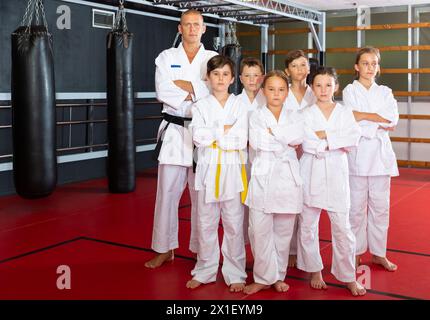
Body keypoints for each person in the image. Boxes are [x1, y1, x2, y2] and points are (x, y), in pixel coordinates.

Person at [145, 9, 218, 269]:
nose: (191, 29)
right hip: (175, 131)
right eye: (187, 25)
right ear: (179, 28)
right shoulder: (166, 57)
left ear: (204, 28)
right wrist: (199, 88)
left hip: (203, 133)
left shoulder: (213, 58)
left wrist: (186, 86)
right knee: (167, 193)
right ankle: (165, 249)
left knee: (202, 197)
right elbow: (162, 91)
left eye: (196, 24)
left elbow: (217, 89)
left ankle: (202, 249)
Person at [297, 66, 366, 296]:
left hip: (337, 172)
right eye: (318, 85)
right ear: (311, 87)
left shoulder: (345, 112)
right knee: (308, 226)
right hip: (311, 171)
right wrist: (335, 139)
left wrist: (325, 137)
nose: (324, 90)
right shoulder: (305, 114)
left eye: (328, 85)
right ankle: (314, 269)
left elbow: (353, 138)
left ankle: (347, 275)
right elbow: (307, 143)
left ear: (336, 86)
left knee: (343, 227)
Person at [186, 55, 248, 292]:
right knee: (206, 222)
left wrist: (213, 133)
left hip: (232, 170)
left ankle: (235, 273)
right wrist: (224, 130)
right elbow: (198, 138)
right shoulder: (200, 106)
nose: (220, 79)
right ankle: (205, 270)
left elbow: (241, 139)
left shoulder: (240, 105)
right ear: (208, 77)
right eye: (215, 74)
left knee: (233, 224)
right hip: (207, 169)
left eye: (225, 74)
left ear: (232, 79)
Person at [244, 70, 304, 295]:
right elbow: (259, 142)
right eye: (271, 89)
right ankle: (262, 277)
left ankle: (278, 276)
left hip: (288, 179)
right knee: (258, 231)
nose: (276, 94)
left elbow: (298, 138)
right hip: (263, 175)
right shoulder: (257, 116)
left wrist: (274, 134)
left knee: (283, 233)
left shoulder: (296, 115)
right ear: (263, 91)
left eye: (281, 89)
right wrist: (283, 139)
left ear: (287, 92)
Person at [343, 46, 399, 272]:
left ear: (378, 67)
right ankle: (356, 253)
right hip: (357, 157)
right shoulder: (349, 90)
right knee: (355, 209)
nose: (370, 67)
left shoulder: (385, 92)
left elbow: (392, 121)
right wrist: (376, 119)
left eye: (374, 63)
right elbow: (350, 118)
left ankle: (379, 253)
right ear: (357, 67)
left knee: (380, 208)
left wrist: (366, 119)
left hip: (381, 158)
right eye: (365, 63)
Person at [283, 50, 317, 268]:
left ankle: (304, 254)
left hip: (310, 154)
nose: (299, 70)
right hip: (284, 154)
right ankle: (287, 251)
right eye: (294, 65)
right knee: (287, 205)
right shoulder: (279, 90)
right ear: (287, 70)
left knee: (306, 206)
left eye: (303, 65)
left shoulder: (316, 92)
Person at [237, 57, 266, 244]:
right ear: (240, 78)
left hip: (263, 157)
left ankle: (262, 242)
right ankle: (242, 243)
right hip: (240, 157)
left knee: (262, 201)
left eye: (256, 75)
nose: (252, 80)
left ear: (262, 78)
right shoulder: (234, 102)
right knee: (241, 202)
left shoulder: (269, 99)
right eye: (247, 75)